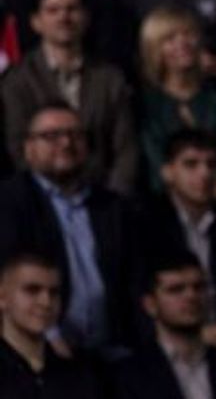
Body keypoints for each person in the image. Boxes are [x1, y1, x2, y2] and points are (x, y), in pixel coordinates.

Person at [0, 103, 139, 355]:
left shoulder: (113, 207)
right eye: (51, 136)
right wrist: (48, 335)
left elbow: (132, 281)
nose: (65, 143)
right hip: (38, 349)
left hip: (115, 350)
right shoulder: (9, 202)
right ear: (28, 149)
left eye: (75, 135)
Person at [1, 0, 137, 194]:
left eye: (72, 9)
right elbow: (18, 147)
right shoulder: (16, 81)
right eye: (53, 10)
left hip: (103, 197)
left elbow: (125, 149)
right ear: (36, 22)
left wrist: (112, 199)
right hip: (39, 199)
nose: (63, 17)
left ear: (85, 18)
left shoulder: (110, 78)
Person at [140, 129, 216, 348]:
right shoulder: (144, 223)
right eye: (191, 164)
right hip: (162, 344)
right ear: (168, 172)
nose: (204, 174)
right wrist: (198, 334)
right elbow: (135, 301)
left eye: (212, 165)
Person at [137, 5, 216, 199]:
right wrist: (212, 190)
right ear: (155, 50)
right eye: (170, 39)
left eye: (188, 34)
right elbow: (157, 173)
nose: (183, 43)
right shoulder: (146, 106)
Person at [113, 251, 216, 399]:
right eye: (176, 289)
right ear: (150, 305)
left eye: (199, 287)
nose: (191, 296)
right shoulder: (128, 376)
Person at [0, 254, 101, 398]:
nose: (46, 302)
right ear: (2, 297)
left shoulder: (78, 376)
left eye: (54, 292)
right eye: (32, 290)